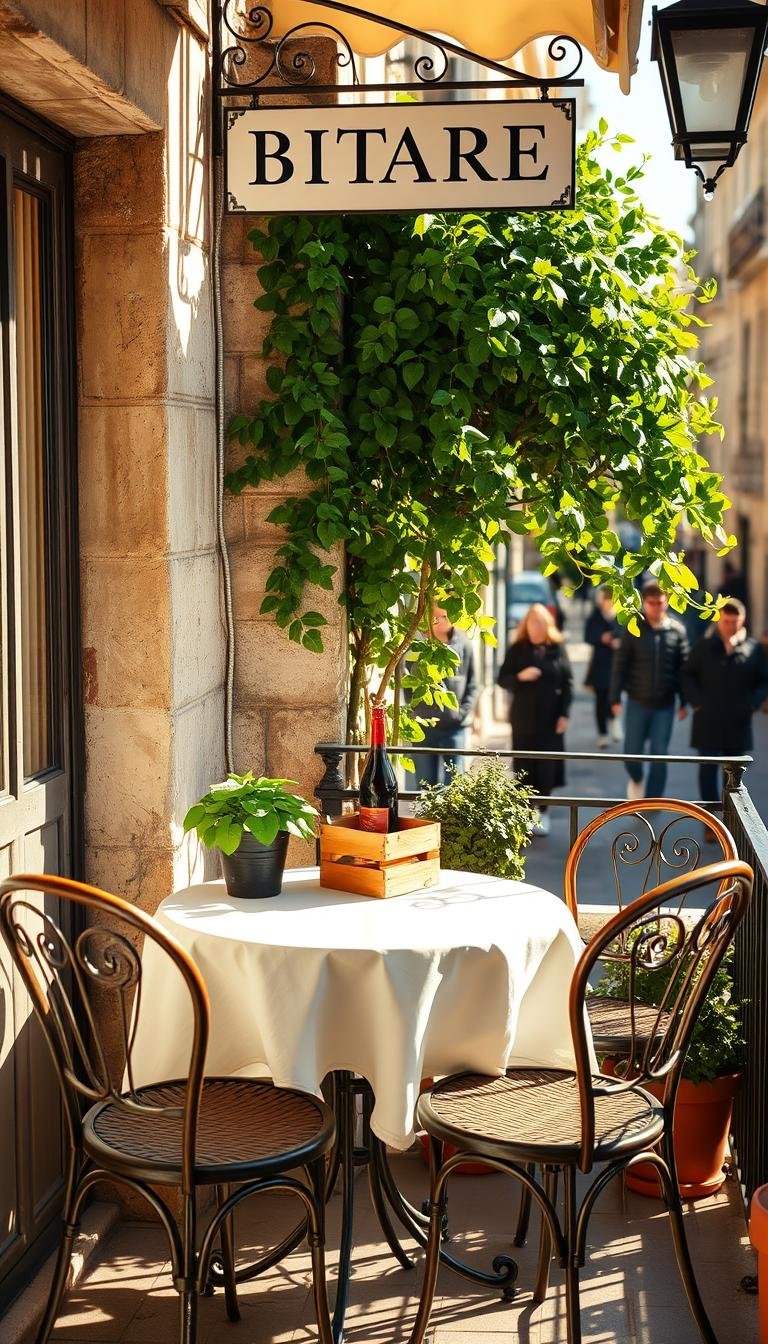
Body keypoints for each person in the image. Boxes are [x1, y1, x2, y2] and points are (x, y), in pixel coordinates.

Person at [682, 598, 768, 806]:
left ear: (742, 621)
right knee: (707, 768)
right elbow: (687, 674)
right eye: (726, 621)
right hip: (707, 717)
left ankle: (729, 815)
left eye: (734, 622)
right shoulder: (704, 645)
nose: (730, 626)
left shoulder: (753, 648)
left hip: (738, 719)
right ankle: (710, 817)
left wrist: (752, 703)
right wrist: (696, 702)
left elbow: (763, 680)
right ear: (719, 620)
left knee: (733, 774)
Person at [496, 603, 573, 835]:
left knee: (547, 766)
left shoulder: (557, 648)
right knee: (525, 765)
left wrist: (565, 714)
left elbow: (568, 683)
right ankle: (526, 810)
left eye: (540, 623)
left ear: (547, 625)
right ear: (525, 626)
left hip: (551, 720)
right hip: (524, 718)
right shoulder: (518, 649)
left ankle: (543, 811)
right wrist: (521, 676)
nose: (536, 627)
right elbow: (502, 679)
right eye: (532, 623)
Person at [610, 580, 689, 800]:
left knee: (659, 755)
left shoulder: (677, 630)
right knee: (630, 756)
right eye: (651, 603)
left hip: (664, 705)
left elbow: (683, 669)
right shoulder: (633, 628)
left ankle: (652, 800)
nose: (656, 607)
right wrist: (614, 698)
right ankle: (636, 778)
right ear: (644, 603)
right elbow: (620, 665)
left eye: (660, 602)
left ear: (667, 602)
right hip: (636, 701)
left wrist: (684, 702)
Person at [408, 605, 478, 787]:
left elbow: (473, 683)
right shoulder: (419, 643)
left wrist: (461, 713)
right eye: (435, 617)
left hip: (454, 726)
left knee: (454, 785)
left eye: (444, 616)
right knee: (425, 786)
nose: (439, 622)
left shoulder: (463, 642)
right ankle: (424, 817)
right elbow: (407, 679)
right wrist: (414, 708)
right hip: (424, 725)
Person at [584, 586, 622, 748]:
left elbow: (628, 635)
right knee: (600, 700)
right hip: (600, 664)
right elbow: (588, 636)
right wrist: (601, 638)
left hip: (617, 664)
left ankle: (614, 723)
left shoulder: (621, 617)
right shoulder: (595, 616)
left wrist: (618, 642)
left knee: (614, 697)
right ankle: (602, 733)